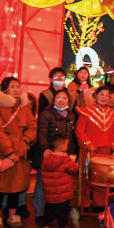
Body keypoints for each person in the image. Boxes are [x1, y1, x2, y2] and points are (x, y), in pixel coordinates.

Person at [0, 77, 36, 228]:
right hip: (2, 153)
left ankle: (13, 215)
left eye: (18, 86)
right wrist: (8, 151)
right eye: (12, 87)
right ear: (4, 90)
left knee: (16, 186)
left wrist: (25, 141)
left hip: (20, 152)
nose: (16, 89)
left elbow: (32, 125)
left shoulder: (24, 106)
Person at [75, 85, 114, 211]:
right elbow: (80, 131)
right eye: (102, 95)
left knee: (102, 178)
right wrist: (87, 143)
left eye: (107, 95)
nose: (104, 98)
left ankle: (99, 203)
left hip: (105, 152)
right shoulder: (86, 111)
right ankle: (85, 203)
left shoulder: (112, 114)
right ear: (95, 96)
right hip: (90, 150)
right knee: (86, 176)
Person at [35, 88, 76, 220]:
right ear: (53, 99)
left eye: (65, 98)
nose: (61, 100)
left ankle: (59, 212)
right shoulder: (46, 114)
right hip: (48, 155)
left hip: (64, 156)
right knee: (44, 184)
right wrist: (45, 148)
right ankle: (41, 213)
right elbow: (41, 134)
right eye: (59, 98)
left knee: (62, 184)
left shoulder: (71, 115)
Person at [40, 135, 78, 228]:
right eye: (66, 145)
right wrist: (75, 162)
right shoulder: (65, 158)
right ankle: (62, 226)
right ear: (61, 146)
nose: (67, 147)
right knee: (63, 208)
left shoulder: (47, 157)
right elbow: (74, 169)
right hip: (62, 190)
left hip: (50, 189)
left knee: (49, 206)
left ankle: (46, 223)